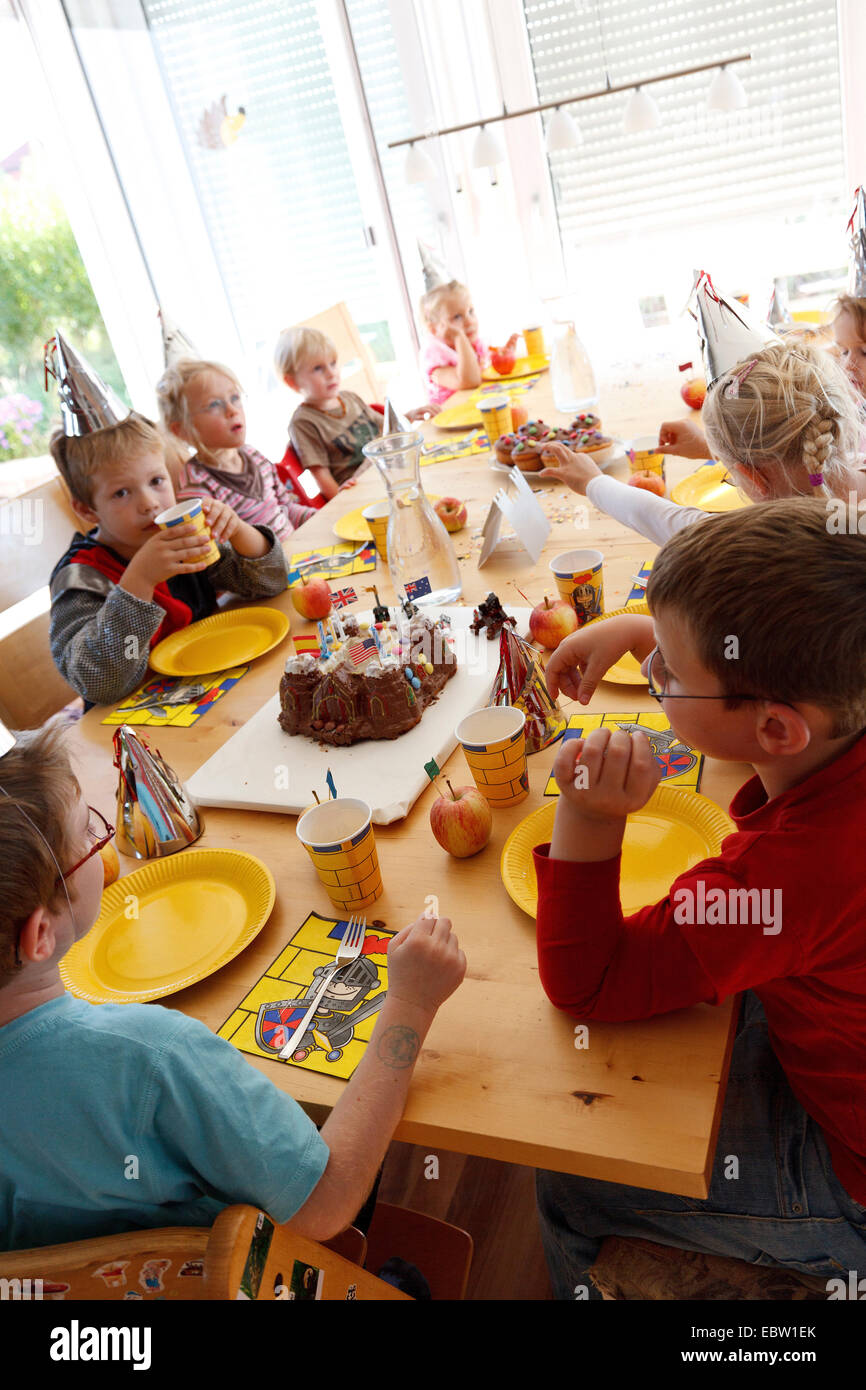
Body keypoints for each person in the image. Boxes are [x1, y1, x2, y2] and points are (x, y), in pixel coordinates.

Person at [534, 499, 866, 1298]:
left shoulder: (789, 877)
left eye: (669, 677)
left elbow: (588, 985)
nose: (654, 680)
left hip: (847, 1177)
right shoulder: (837, 697)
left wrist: (585, 814)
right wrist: (645, 635)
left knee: (567, 1181)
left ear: (778, 731)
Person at [0, 719, 466, 1251]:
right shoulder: (154, 1056)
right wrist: (410, 1002)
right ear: (40, 934)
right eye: (89, 832)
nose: (99, 838)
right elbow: (327, 1203)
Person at [49, 414, 288, 707]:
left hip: (219, 684)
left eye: (156, 481)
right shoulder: (81, 577)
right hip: (140, 723)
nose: (149, 502)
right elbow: (98, 683)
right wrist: (140, 580)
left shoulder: (180, 536)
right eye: (121, 493)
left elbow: (272, 582)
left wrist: (238, 529)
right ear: (87, 510)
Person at [539, 339, 866, 548]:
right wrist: (718, 449)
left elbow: (660, 518)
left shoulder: (757, 548)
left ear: (754, 478)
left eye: (730, 473)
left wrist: (592, 482)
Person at [156, 358, 316, 539]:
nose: (232, 410)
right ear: (182, 430)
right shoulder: (198, 487)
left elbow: (287, 509)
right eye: (214, 404)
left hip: (301, 552)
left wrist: (322, 517)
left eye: (234, 398)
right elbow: (224, 555)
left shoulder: (254, 456)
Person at [276, 327, 434, 502]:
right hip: (362, 492)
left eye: (333, 363)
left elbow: (387, 429)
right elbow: (322, 477)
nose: (331, 373)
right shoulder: (303, 422)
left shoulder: (350, 398)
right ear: (292, 381)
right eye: (318, 368)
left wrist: (410, 415)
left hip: (392, 473)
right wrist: (343, 501)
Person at [419, 280, 487, 408]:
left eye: (470, 312)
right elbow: (470, 381)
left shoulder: (473, 344)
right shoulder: (435, 357)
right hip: (454, 421)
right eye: (457, 317)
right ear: (434, 329)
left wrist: (504, 355)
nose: (469, 321)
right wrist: (459, 336)